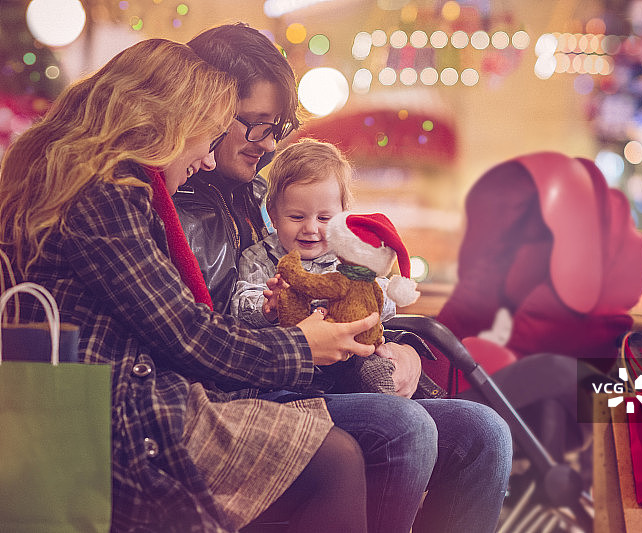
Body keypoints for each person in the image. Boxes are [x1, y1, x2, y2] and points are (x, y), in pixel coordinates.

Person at [0, 38, 378, 532]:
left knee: (340, 451)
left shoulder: (100, 184)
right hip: (111, 412)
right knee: (337, 457)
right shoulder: (106, 195)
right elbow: (187, 332)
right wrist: (302, 346)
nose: (205, 159)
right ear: (168, 123)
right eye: (209, 134)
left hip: (124, 393)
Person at [176, 23, 513, 533]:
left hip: (330, 372)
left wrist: (398, 351)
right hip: (262, 392)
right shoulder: (183, 208)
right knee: (406, 429)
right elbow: (201, 337)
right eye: (257, 125)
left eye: (275, 127)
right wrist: (289, 330)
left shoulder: (251, 195)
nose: (267, 144)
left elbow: (356, 297)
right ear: (210, 109)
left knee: (485, 431)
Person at [231, 138, 402, 394]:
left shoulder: (349, 256)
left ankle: (387, 400)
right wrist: (268, 308)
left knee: (376, 366)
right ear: (274, 214)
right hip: (291, 369)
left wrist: (366, 294)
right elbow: (240, 305)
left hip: (352, 358)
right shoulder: (259, 257)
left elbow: (387, 302)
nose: (310, 228)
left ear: (344, 216)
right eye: (296, 217)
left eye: (324, 218)